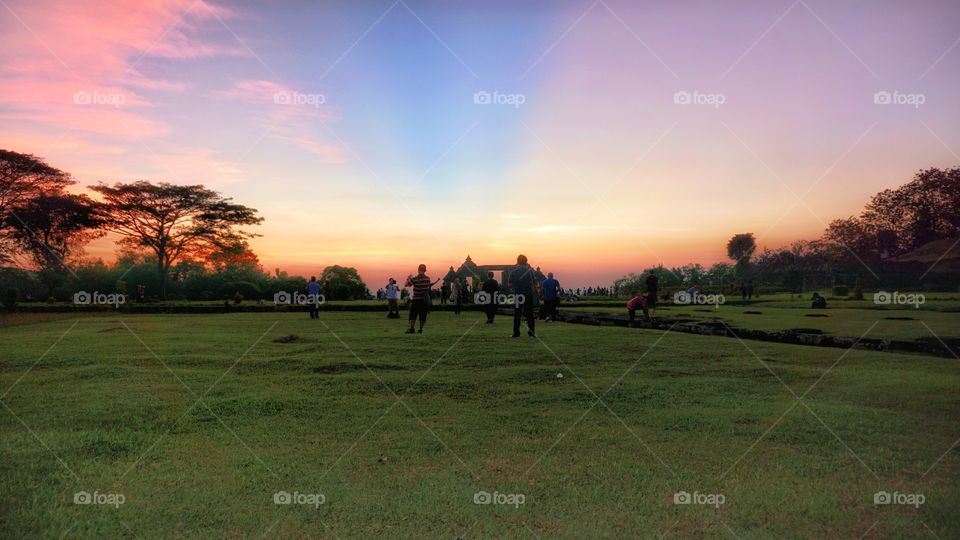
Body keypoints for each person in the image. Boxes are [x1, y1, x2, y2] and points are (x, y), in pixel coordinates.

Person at [508, 254, 538, 337]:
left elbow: (509, 285)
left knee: (517, 314)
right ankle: (531, 332)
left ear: (517, 261)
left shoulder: (513, 272)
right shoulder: (530, 271)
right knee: (530, 314)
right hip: (528, 294)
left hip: (518, 294)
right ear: (526, 262)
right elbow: (534, 283)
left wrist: (516, 285)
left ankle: (516, 332)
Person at [405, 264, 438, 334]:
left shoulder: (415, 279)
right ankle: (420, 329)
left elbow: (406, 284)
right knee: (423, 315)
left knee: (413, 315)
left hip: (416, 299)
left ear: (418, 270)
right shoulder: (428, 279)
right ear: (425, 270)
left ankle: (412, 328)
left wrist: (408, 278)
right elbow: (428, 287)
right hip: (424, 300)